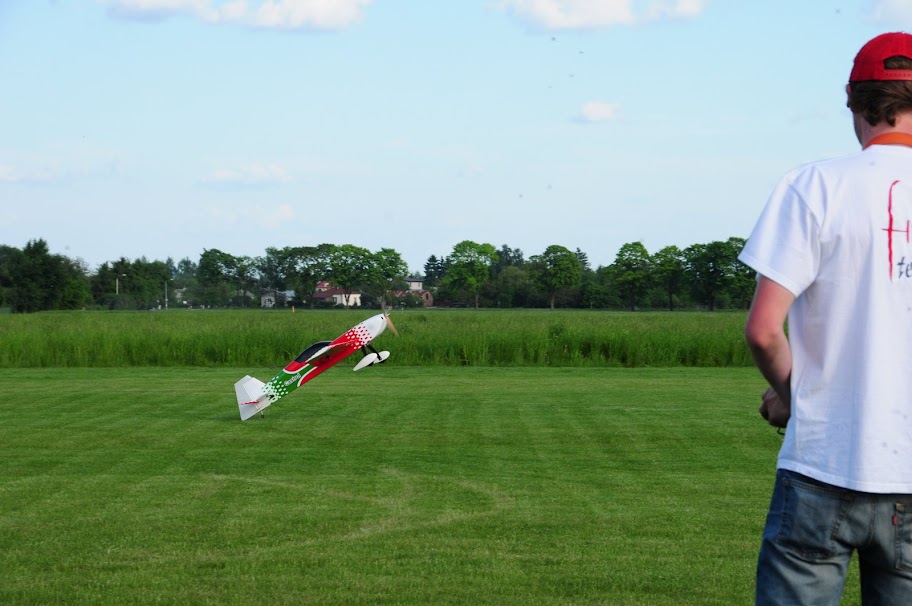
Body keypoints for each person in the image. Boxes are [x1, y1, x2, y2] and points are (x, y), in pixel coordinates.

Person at [739, 32, 912, 605]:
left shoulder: (813, 186)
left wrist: (796, 397)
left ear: (855, 101)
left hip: (821, 464)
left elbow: (765, 330)